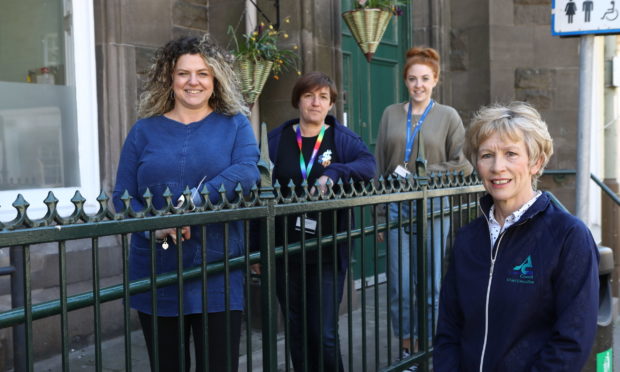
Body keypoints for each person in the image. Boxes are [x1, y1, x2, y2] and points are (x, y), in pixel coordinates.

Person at [112, 35, 260, 372]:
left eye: (203, 73)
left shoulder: (235, 123)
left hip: (217, 266)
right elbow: (122, 198)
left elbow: (248, 172)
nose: (193, 81)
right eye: (184, 73)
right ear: (170, 78)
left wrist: (189, 205)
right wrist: (156, 226)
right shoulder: (143, 131)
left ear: (215, 79)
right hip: (158, 266)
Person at [434, 102, 599, 371]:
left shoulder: (568, 237)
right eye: (487, 155)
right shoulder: (466, 238)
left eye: (511, 154)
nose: (498, 167)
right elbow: (449, 329)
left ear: (536, 162)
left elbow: (572, 341)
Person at [264, 71, 375, 371]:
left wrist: (335, 172)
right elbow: (256, 192)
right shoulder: (276, 140)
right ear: (297, 100)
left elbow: (368, 165)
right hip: (285, 251)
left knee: (324, 333)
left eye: (323, 97)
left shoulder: (341, 138)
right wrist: (255, 248)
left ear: (331, 104)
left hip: (327, 251)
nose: (315, 103)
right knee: (297, 332)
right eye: (308, 95)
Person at [375, 47, 472, 360]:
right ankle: (407, 350)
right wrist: (379, 215)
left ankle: (429, 349)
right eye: (413, 79)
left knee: (430, 286)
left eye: (425, 79)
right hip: (394, 204)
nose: (419, 85)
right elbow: (379, 165)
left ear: (436, 80)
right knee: (400, 286)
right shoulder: (390, 113)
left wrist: (424, 174)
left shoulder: (448, 116)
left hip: (433, 207)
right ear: (405, 81)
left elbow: (464, 163)